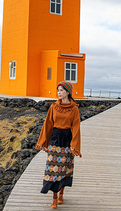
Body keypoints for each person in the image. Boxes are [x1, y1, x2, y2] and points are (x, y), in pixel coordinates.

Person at [36, 81, 82, 209]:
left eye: (61, 90)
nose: (59, 93)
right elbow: (48, 125)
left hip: (67, 140)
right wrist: (42, 142)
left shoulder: (74, 109)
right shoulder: (53, 107)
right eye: (58, 90)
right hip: (55, 140)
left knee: (64, 168)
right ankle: (54, 198)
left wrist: (74, 145)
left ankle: (61, 194)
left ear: (68, 92)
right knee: (53, 169)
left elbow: (76, 128)